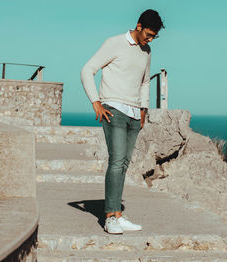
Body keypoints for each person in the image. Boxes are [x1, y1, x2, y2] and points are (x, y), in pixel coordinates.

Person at [81, 9, 164, 234]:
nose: (150, 39)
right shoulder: (114, 43)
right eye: (148, 34)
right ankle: (109, 218)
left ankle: (118, 213)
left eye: (154, 36)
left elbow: (145, 82)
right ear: (139, 26)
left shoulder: (147, 51)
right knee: (117, 162)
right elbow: (88, 70)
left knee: (125, 164)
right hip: (113, 109)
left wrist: (143, 109)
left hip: (135, 113)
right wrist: (95, 102)